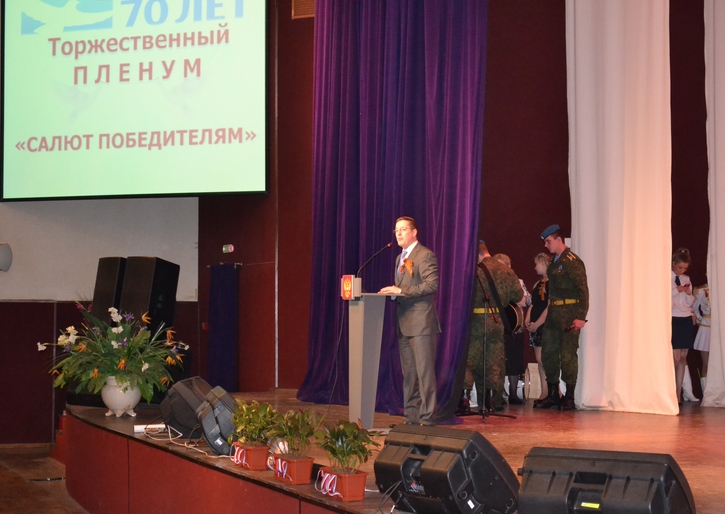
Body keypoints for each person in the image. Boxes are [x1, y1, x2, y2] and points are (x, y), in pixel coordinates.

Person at [379, 216, 440, 426]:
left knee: (424, 374)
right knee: (410, 376)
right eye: (396, 230)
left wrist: (401, 290)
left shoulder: (425, 255)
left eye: (403, 229)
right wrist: (392, 293)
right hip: (404, 323)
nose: (398, 233)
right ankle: (411, 418)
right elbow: (403, 289)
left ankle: (428, 418)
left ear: (414, 232)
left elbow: (431, 285)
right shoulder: (399, 258)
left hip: (421, 324)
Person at [535, 224, 589, 411]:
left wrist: (580, 316)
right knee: (548, 354)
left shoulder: (573, 262)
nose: (546, 245)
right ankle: (553, 394)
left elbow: (583, 291)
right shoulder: (553, 262)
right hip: (554, 315)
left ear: (559, 239)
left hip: (569, 315)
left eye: (548, 241)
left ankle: (569, 396)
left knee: (567, 356)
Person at [465, 242, 523, 413]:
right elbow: (518, 295)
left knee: (470, 361)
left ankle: (464, 399)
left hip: (476, 321)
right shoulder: (506, 270)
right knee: (494, 362)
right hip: (497, 321)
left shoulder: (473, 271)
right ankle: (491, 401)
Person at [493, 253, 530, 405]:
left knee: (514, 361)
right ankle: (498, 394)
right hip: (497, 328)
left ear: (509, 267)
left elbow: (525, 301)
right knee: (497, 361)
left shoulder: (518, 282)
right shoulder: (491, 283)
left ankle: (513, 394)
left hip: (515, 328)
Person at [525, 252, 551, 404]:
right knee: (538, 360)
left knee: (543, 359)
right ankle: (543, 393)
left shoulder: (552, 284)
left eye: (537, 264)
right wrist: (528, 319)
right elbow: (533, 304)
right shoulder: (537, 284)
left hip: (544, 326)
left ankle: (552, 392)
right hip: (535, 325)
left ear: (543, 263)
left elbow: (548, 307)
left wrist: (538, 323)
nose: (535, 267)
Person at [671, 247, 695, 405]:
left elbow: (689, 302)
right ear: (673, 263)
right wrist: (676, 290)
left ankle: (678, 394)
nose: (682, 271)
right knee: (675, 357)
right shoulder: (666, 278)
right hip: (673, 317)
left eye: (684, 268)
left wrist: (688, 294)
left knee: (683, 358)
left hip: (685, 318)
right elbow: (664, 298)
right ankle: (669, 390)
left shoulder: (686, 278)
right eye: (680, 267)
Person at [693, 282, 710, 394]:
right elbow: (694, 308)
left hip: (719, 330)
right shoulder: (701, 290)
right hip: (706, 328)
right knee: (706, 364)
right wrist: (701, 320)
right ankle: (706, 393)